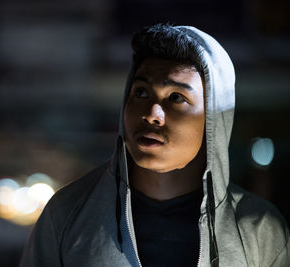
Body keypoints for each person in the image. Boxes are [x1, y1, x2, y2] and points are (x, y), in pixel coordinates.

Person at [20, 24, 290, 266]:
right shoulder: (68, 215)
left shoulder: (259, 229)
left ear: (213, 118)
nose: (151, 113)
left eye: (176, 97)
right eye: (141, 92)